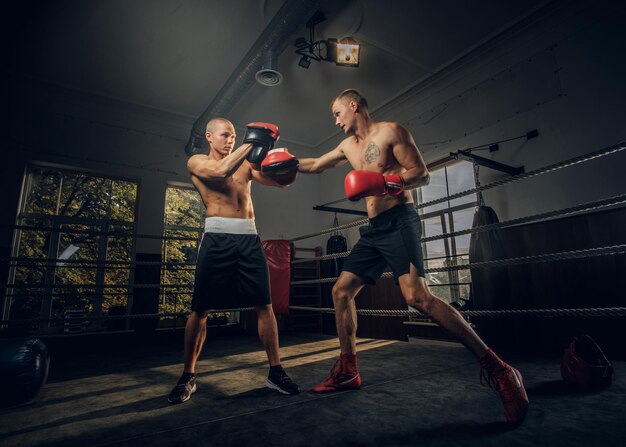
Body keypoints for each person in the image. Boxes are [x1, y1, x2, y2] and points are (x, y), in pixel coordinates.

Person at [296, 89, 529, 425]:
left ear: (353, 105)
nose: (335, 120)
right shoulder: (347, 147)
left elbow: (421, 173)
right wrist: (286, 162)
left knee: (417, 297)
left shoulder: (391, 132)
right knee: (340, 291)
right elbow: (317, 164)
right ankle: (347, 370)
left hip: (400, 221)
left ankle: (501, 370)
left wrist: (382, 181)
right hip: (374, 229)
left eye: (336, 112)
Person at [168, 118, 300, 404]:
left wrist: (287, 165)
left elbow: (281, 183)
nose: (230, 140)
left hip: (249, 238)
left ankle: (276, 372)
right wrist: (253, 141)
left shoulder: (244, 164)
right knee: (200, 309)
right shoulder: (198, 162)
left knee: (264, 306)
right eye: (225, 135)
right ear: (209, 136)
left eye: (234, 136)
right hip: (216, 238)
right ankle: (188, 376)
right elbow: (220, 170)